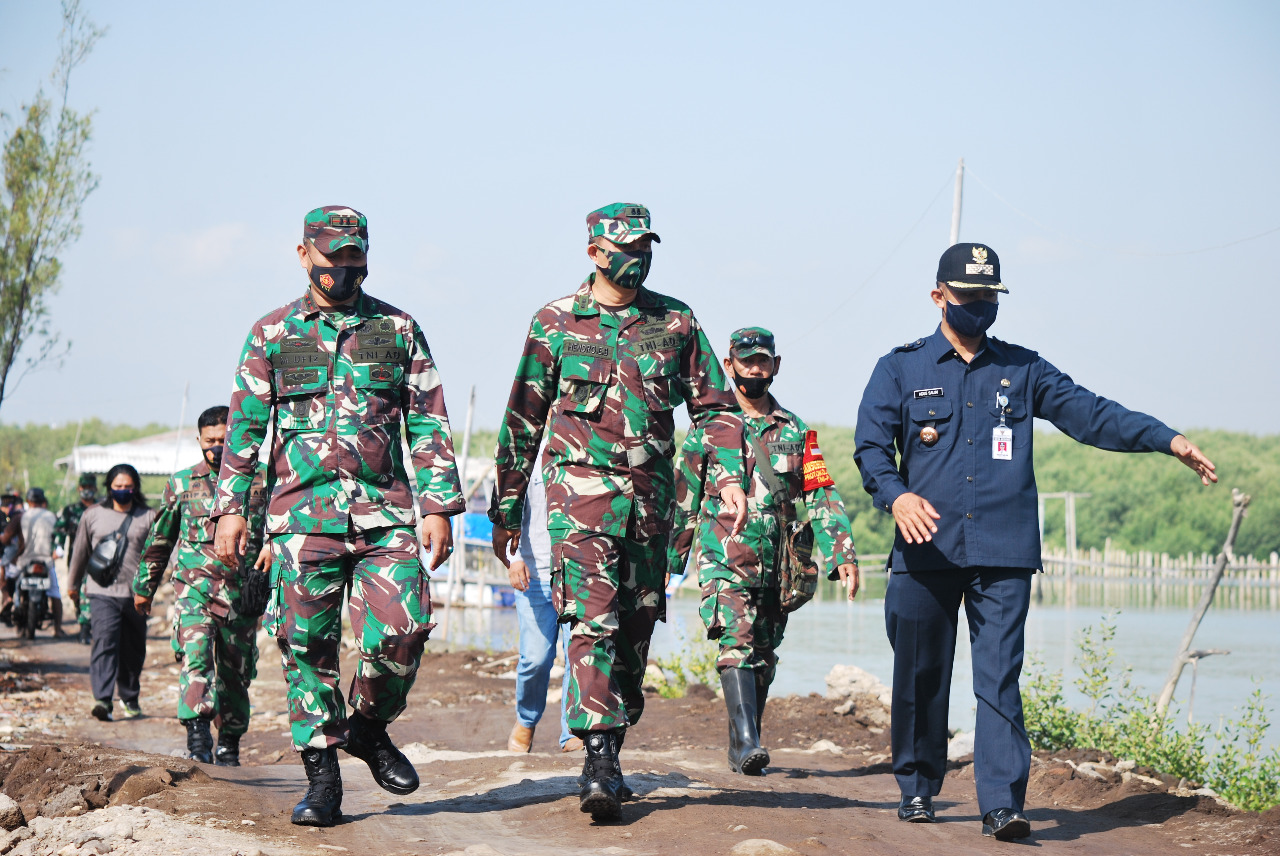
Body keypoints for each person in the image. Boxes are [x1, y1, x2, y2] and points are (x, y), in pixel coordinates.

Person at [853, 242, 1218, 841]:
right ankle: (918, 786)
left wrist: (1166, 438)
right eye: (969, 297)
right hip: (925, 551)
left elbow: (1090, 413)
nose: (979, 307)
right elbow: (871, 447)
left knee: (998, 676)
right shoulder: (900, 368)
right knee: (920, 673)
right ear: (938, 296)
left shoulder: (1022, 370)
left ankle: (1002, 803)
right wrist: (896, 495)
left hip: (1003, 549)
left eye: (989, 297)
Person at [489, 202, 748, 820]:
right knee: (593, 621)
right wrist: (505, 513)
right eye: (628, 246)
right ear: (596, 253)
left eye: (647, 245)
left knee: (633, 633)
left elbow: (713, 406)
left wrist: (732, 474)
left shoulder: (675, 322)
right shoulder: (555, 323)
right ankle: (599, 761)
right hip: (580, 503)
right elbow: (523, 420)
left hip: (652, 507)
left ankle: (613, 737)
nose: (640, 256)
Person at [212, 205, 464, 827]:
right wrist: (232, 511)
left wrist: (438, 505)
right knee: (307, 649)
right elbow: (245, 429)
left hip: (385, 513)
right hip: (301, 517)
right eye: (333, 257)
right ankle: (322, 780)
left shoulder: (398, 329)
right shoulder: (272, 334)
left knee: (404, 628)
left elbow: (427, 419)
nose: (345, 269)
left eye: (355, 256)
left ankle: (369, 727)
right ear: (304, 255)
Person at [670, 327, 860, 775]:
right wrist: (668, 562)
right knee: (736, 642)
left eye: (763, 361)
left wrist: (842, 553)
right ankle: (750, 741)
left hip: (779, 562)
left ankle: (742, 743)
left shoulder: (796, 431)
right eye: (746, 361)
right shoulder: (709, 427)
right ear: (730, 365)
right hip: (724, 555)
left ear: (775, 366)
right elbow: (683, 497)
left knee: (764, 653)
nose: (755, 369)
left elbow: (821, 493)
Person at [134, 405, 269, 765]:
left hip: (242, 595)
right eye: (210, 441)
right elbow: (160, 539)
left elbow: (279, 531)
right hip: (194, 590)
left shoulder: (261, 481)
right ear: (199, 440)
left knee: (235, 672)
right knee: (195, 658)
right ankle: (197, 736)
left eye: (224, 440)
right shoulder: (181, 484)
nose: (216, 447)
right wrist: (144, 587)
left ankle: (229, 742)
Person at [67, 464, 156, 722]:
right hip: (101, 591)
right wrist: (73, 584)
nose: (123, 491)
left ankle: (129, 697)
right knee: (104, 642)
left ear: (135, 487)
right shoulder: (92, 515)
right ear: (109, 488)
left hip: (136, 594)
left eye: (127, 486)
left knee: (133, 649)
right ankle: (103, 700)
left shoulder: (148, 516)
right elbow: (80, 552)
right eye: (117, 487)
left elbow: (162, 552)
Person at [504, 446, 574, 755]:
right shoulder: (523, 450)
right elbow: (504, 512)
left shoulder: (583, 443)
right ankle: (526, 721)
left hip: (576, 573)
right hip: (532, 573)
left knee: (579, 655)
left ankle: (573, 730)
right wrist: (513, 559)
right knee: (536, 658)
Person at [14, 488, 65, 636]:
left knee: (16, 589)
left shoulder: (20, 516)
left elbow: (7, 537)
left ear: (28, 501)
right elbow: (59, 538)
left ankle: (17, 619)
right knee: (55, 593)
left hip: (25, 562)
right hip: (46, 562)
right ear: (43, 501)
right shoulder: (52, 516)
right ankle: (57, 628)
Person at [56, 473, 100, 644]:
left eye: (90, 488)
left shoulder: (102, 507)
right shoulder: (70, 510)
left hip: (97, 558)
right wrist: (57, 547)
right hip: (75, 557)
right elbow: (59, 530)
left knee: (87, 591)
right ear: (79, 489)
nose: (87, 491)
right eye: (84, 488)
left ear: (95, 489)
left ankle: (85, 629)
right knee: (75, 590)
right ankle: (82, 620)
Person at [0, 493, 24, 623]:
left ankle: (11, 603)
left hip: (14, 555)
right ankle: (6, 598)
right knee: (2, 572)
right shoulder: (2, 517)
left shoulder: (15, 517)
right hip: (3, 554)